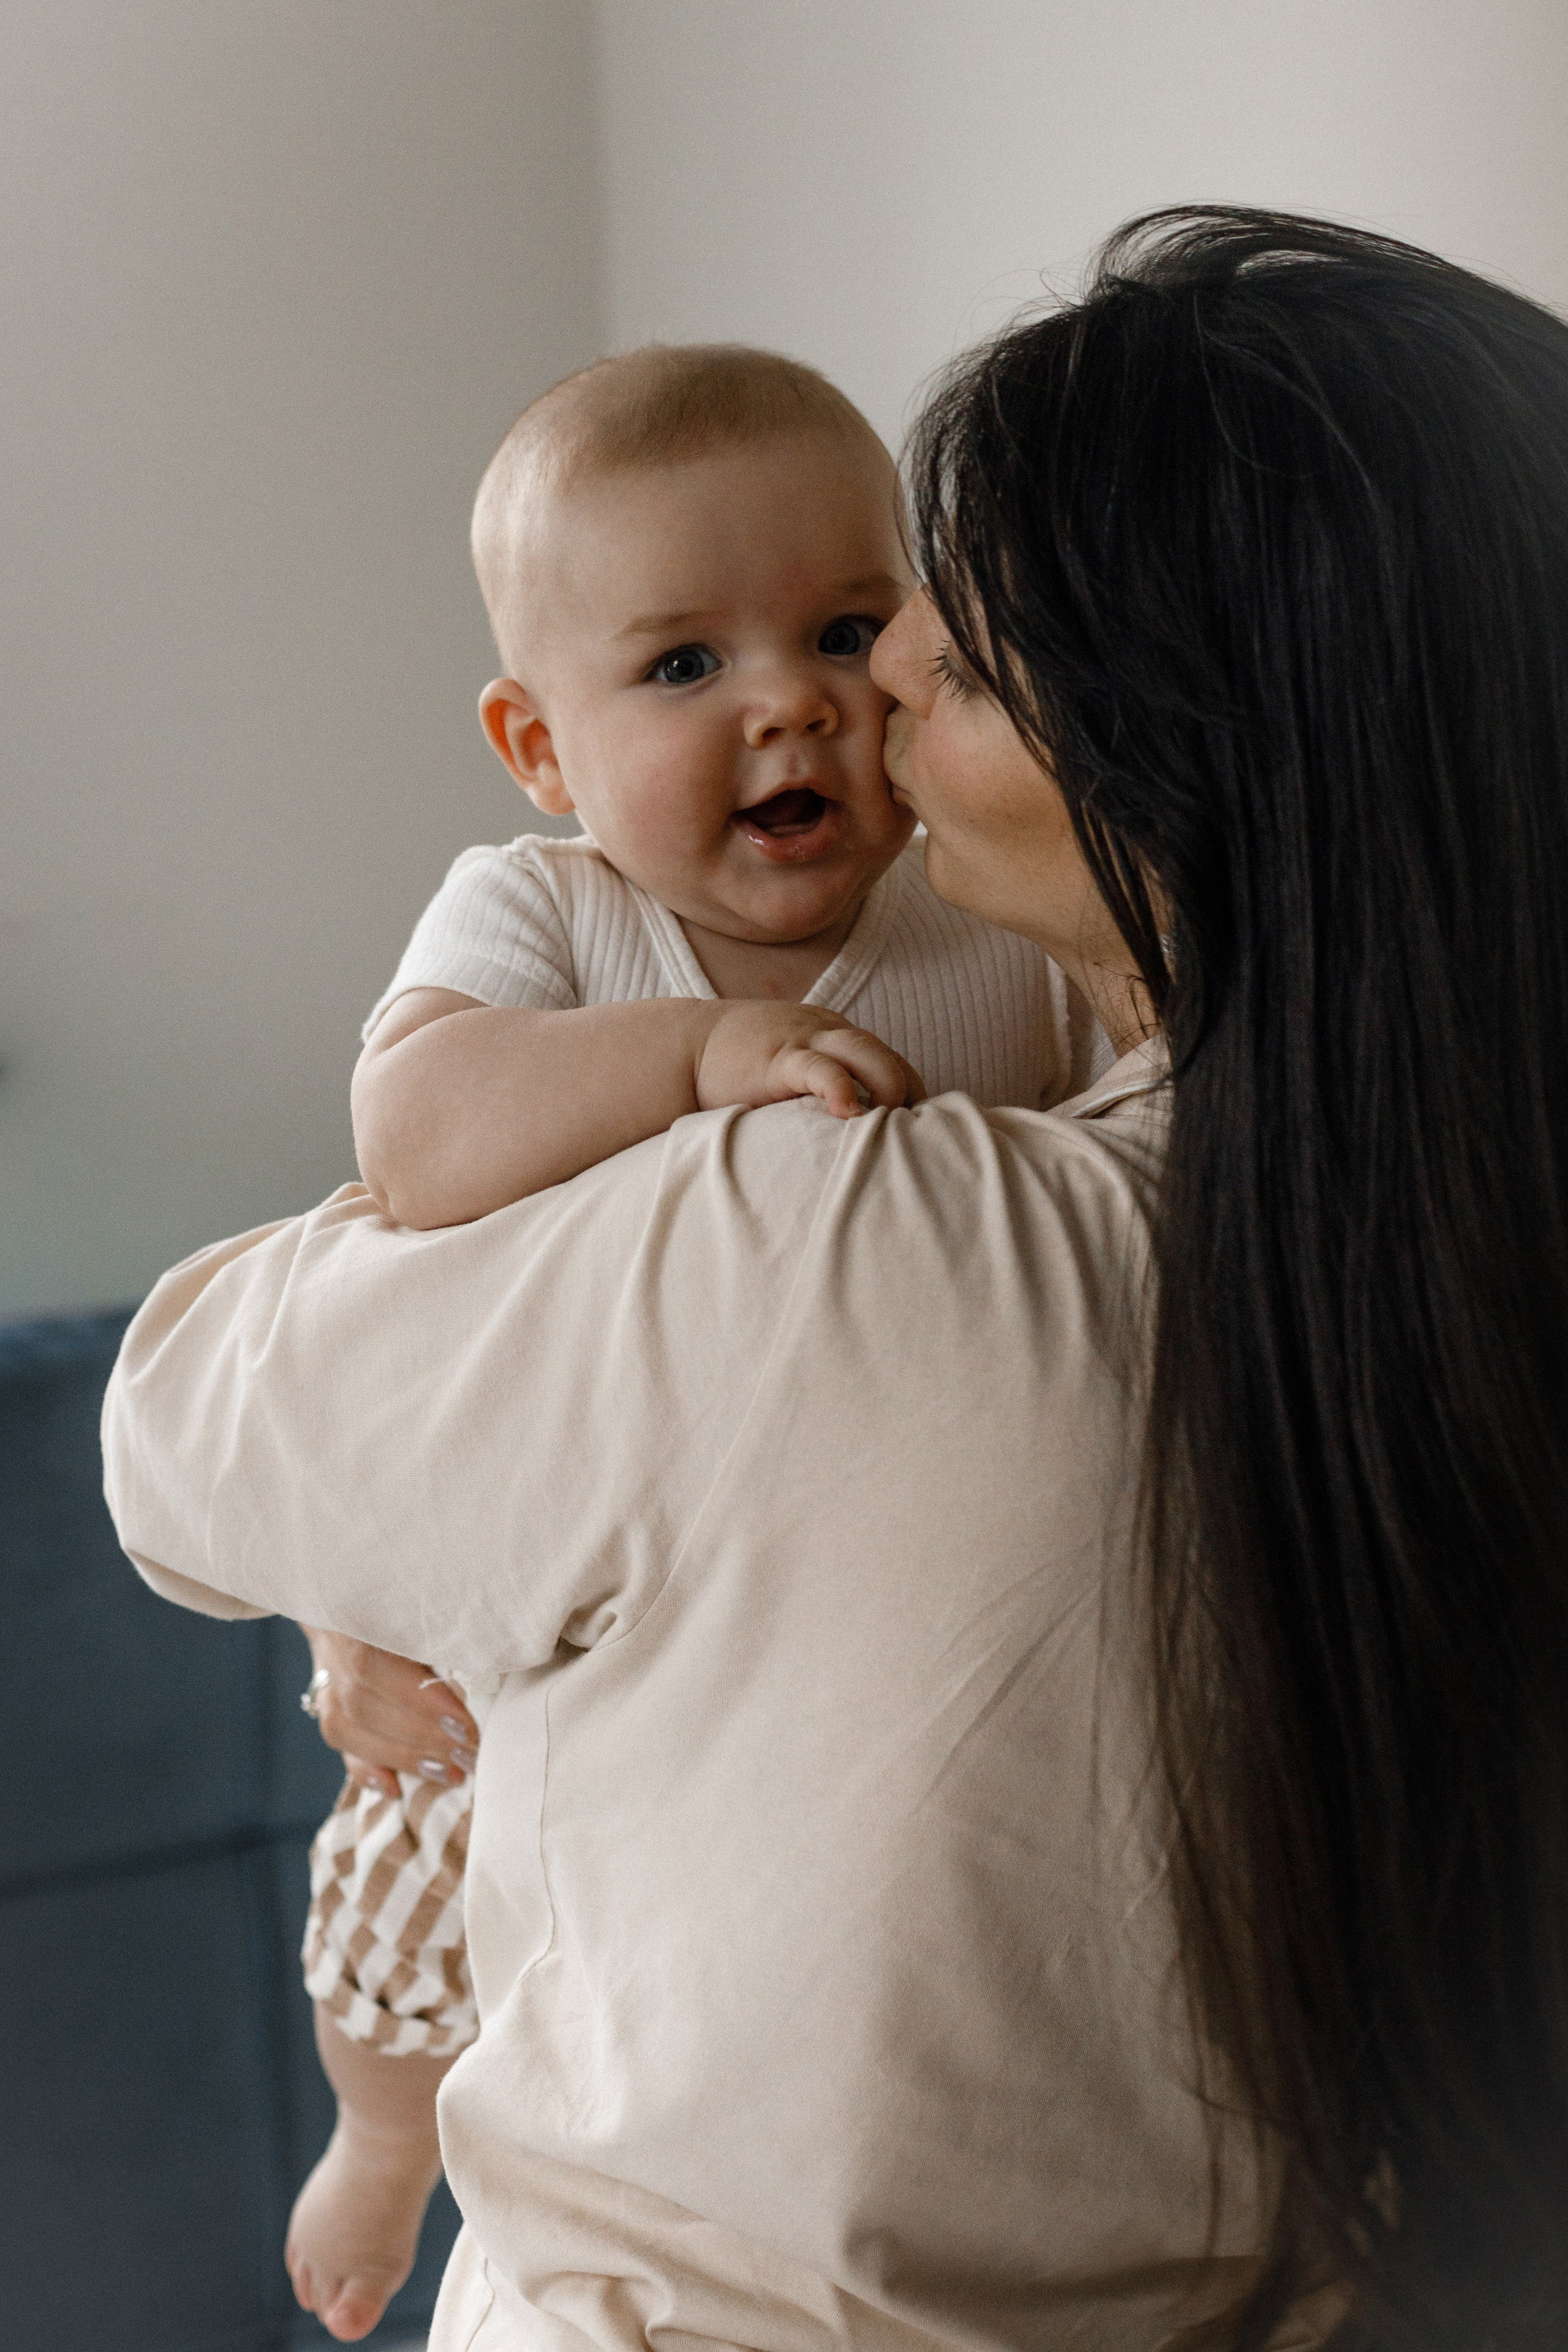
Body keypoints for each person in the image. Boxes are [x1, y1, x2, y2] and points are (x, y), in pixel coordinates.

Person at [102, 208, 1568, 2350]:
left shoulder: (836, 1232)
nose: (846, 699)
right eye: (690, 660)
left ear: (1181, 764)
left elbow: (181, 1431)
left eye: (931, 654)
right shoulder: (1453, 1245)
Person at [286, 341, 1106, 2342]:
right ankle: (387, 2134)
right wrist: (700, 1053)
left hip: (844, 1609)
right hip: (545, 1591)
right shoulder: (542, 921)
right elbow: (415, 1135)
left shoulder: (990, 928)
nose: (787, 700)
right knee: (406, 1896)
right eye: (681, 669)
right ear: (540, 747)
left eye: (845, 628)